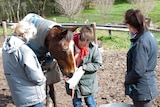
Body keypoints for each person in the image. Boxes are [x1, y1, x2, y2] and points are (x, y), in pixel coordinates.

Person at [2, 21, 46, 107]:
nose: (31, 38)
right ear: (25, 33)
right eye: (31, 34)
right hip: (33, 97)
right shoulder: (24, 50)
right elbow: (35, 76)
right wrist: (43, 78)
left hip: (19, 97)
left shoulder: (7, 48)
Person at [124, 9, 158, 107]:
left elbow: (138, 70)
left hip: (142, 89)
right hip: (148, 85)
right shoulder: (148, 35)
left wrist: (127, 79)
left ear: (130, 25)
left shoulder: (141, 42)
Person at [66, 26, 102, 107]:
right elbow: (63, 61)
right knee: (77, 104)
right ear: (78, 38)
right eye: (80, 44)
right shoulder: (69, 45)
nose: (82, 47)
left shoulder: (93, 49)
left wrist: (84, 67)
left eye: (85, 45)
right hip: (74, 83)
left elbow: (98, 64)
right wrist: (65, 73)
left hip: (87, 83)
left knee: (90, 103)